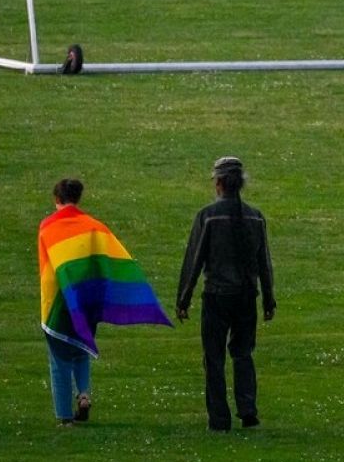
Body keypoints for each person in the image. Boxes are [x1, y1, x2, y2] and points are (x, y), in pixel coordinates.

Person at [38, 177, 172, 427]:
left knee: (59, 359)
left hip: (59, 301)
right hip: (87, 299)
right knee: (81, 348)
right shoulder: (94, 227)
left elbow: (48, 267)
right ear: (79, 198)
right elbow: (107, 259)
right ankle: (85, 393)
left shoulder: (47, 227)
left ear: (56, 199)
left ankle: (64, 416)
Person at [176, 156, 276, 432]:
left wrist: (183, 299)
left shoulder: (208, 216)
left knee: (214, 357)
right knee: (243, 353)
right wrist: (268, 299)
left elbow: (194, 261)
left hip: (216, 296)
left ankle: (219, 419)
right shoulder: (256, 218)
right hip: (247, 296)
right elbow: (264, 263)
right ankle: (248, 410)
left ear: (219, 183)